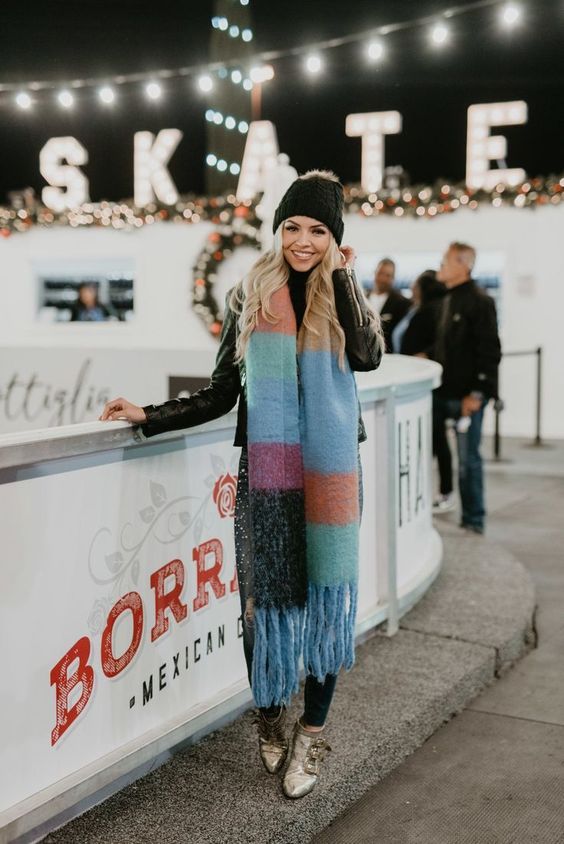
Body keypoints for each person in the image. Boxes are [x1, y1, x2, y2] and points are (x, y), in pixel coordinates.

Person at [99, 171, 385, 799]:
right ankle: (269, 710)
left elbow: (366, 356)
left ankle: (311, 733)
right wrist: (151, 416)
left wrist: (342, 276)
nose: (302, 241)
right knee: (261, 607)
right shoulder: (248, 298)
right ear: (277, 230)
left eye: (316, 230)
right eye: (291, 228)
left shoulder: (343, 294)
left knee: (323, 602)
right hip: (267, 476)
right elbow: (223, 393)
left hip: (332, 476)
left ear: (334, 237)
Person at [429, 242, 501, 532]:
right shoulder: (448, 299)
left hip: (466, 399)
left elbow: (490, 351)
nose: (441, 266)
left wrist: (478, 393)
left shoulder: (480, 301)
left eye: (446, 261)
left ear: (464, 265)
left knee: (469, 461)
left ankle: (474, 521)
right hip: (442, 393)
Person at [391, 269, 446, 356]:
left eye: (416, 284)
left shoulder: (428, 314)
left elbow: (441, 340)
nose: (411, 286)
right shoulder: (411, 308)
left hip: (414, 364)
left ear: (422, 290)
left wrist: (427, 353)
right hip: (400, 359)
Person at [368, 258, 410, 352]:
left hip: (389, 354)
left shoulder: (403, 303)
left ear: (393, 278)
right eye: (380, 273)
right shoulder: (361, 298)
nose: (383, 278)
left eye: (387, 275)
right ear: (375, 273)